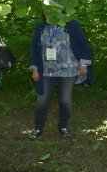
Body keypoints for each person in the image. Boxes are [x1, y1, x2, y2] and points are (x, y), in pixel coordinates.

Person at [27, 13, 93, 141]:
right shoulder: (41, 27)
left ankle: (63, 126)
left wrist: (83, 64)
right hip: (46, 70)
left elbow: (83, 44)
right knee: (42, 100)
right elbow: (34, 49)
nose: (49, 12)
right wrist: (34, 69)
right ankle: (38, 128)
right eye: (46, 10)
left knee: (65, 100)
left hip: (68, 69)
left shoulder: (71, 25)